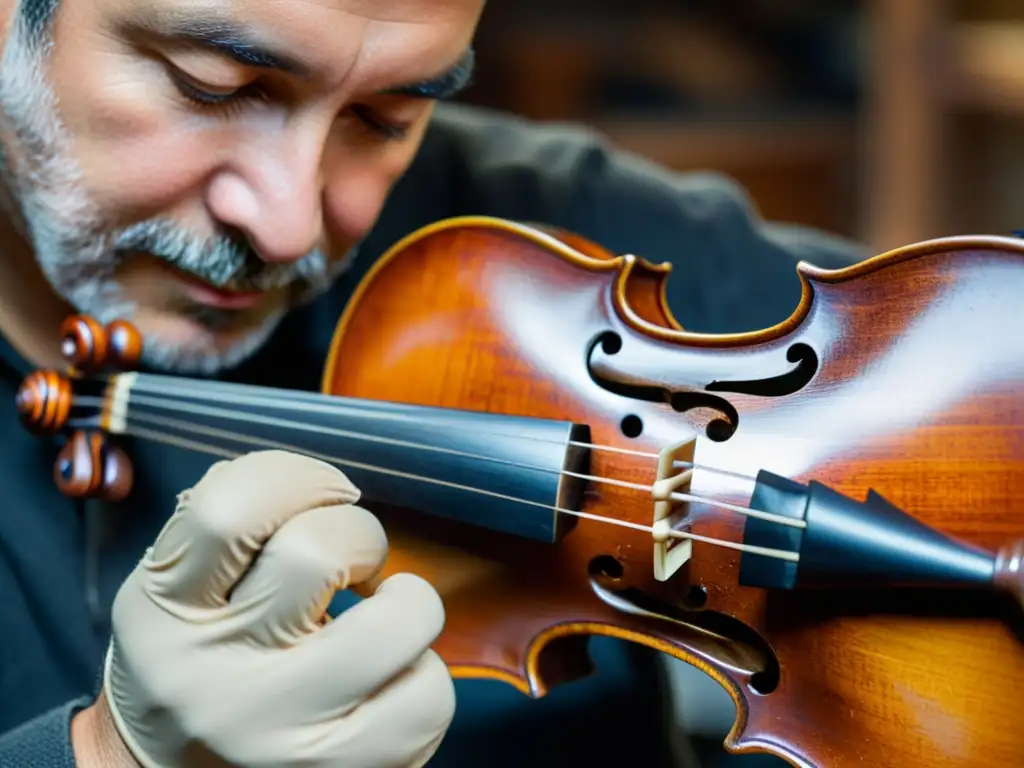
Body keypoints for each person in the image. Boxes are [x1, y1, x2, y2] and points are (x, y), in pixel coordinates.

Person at [0, 0, 869, 765]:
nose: (287, 224)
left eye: (384, 118)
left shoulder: (533, 251)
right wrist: (106, 757)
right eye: (213, 86)